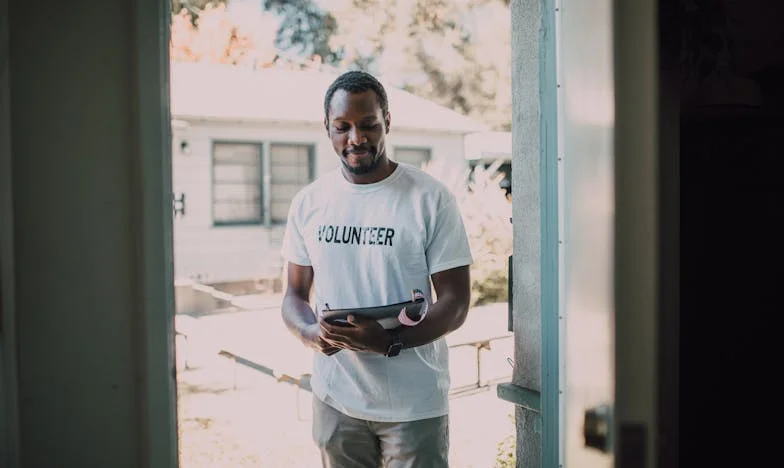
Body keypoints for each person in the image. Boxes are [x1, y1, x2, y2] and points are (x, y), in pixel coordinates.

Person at [281, 70, 473, 468]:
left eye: (368, 124)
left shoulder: (430, 198)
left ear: (387, 119)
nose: (356, 138)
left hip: (413, 405)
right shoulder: (309, 202)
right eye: (343, 127)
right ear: (327, 128)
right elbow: (294, 296)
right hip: (336, 399)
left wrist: (390, 342)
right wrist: (309, 333)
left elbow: (455, 302)